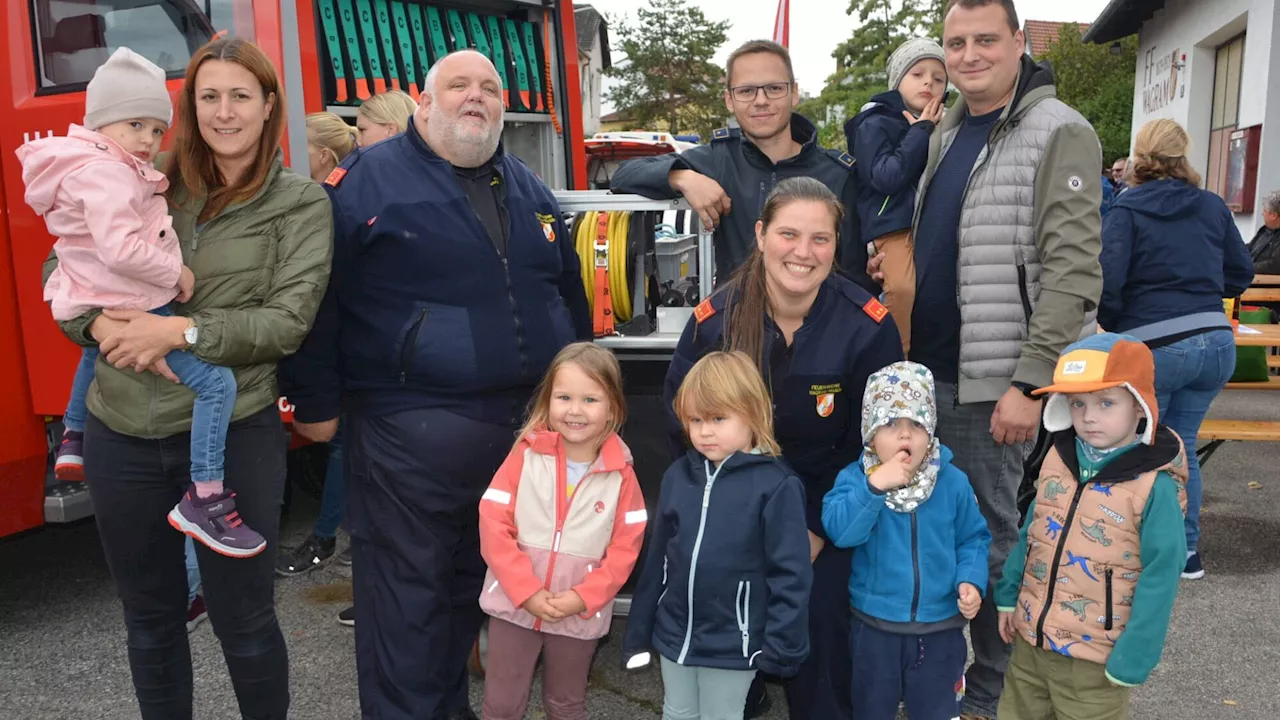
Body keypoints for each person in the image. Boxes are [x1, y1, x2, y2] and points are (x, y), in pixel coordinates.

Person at [278, 49, 591, 720]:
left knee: (465, 603)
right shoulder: (365, 182)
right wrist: (315, 403)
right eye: (458, 86)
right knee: (407, 617)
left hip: (516, 442)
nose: (476, 97)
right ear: (423, 102)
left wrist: (586, 391)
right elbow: (312, 298)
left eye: (489, 87)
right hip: (405, 436)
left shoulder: (530, 188)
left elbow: (566, 292)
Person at [42, 37, 333, 719]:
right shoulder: (138, 171)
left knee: (244, 621)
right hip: (122, 432)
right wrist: (102, 330)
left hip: (234, 433)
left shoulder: (298, 204)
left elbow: (287, 321)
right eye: (208, 97)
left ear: (269, 106)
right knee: (149, 622)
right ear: (189, 106)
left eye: (240, 96)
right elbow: (63, 271)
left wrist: (182, 331)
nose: (224, 112)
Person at [866, 2, 1105, 715]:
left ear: (1019, 43)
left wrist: (1030, 383)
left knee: (993, 540)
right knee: (924, 526)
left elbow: (1073, 273)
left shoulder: (1058, 130)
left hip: (995, 381)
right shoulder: (947, 128)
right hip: (930, 370)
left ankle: (994, 694)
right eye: (955, 42)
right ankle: (932, 676)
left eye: (985, 40)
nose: (968, 55)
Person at [665, 177, 903, 720]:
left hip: (831, 507)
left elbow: (878, 445)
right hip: (734, 505)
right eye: (789, 234)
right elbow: (681, 424)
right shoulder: (715, 322)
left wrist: (816, 529)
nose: (803, 252)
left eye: (820, 239)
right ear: (760, 234)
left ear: (837, 245)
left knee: (819, 619)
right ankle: (740, 688)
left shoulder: (867, 326)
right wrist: (744, 523)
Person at [19, 48, 258, 556]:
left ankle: (75, 436)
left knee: (91, 353)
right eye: (136, 125)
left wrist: (101, 325)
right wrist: (177, 272)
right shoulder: (107, 173)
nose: (148, 141)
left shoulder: (85, 165)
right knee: (216, 384)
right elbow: (120, 248)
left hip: (94, 297)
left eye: (156, 129)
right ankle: (207, 496)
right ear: (102, 122)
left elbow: (70, 254)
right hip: (136, 303)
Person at [995, 334, 1187, 720]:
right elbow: (1034, 529)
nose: (1089, 416)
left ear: (1139, 405)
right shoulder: (1058, 458)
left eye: (1106, 402)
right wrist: (1008, 595)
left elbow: (1162, 572)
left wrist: (1137, 652)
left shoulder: (1154, 484)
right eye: (1078, 403)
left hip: (1097, 659)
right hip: (1032, 643)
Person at [1098, 118, 1253, 580]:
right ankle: (1186, 551)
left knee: (1142, 445)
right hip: (1216, 342)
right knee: (1181, 443)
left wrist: (1119, 320)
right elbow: (1240, 272)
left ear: (1140, 155)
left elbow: (1109, 283)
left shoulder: (1126, 210)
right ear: (1183, 155)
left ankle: (1135, 546)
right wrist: (1202, 290)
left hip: (1157, 346)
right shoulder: (1211, 205)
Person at [626, 350, 813, 720]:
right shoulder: (678, 476)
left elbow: (791, 573)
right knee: (676, 712)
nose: (704, 431)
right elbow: (657, 559)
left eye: (718, 418)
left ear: (753, 414)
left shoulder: (777, 485)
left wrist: (781, 642)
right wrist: (638, 630)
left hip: (734, 642)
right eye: (695, 420)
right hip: (674, 632)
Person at [610, 40, 871, 289]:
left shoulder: (838, 174)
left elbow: (856, 276)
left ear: (794, 93)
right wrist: (682, 178)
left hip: (817, 327)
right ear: (729, 100)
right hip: (736, 325)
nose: (760, 100)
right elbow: (624, 174)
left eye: (774, 88)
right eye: (746, 91)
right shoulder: (718, 160)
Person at [477, 343, 647, 720]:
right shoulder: (524, 454)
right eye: (564, 397)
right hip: (512, 604)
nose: (575, 410)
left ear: (613, 409)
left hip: (578, 611)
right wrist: (526, 590)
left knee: (566, 704)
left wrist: (584, 597)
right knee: (501, 705)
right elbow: (492, 521)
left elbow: (625, 550)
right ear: (547, 400)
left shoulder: (622, 475)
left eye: (590, 399)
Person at [822, 360, 991, 720]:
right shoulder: (856, 479)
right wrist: (873, 488)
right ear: (870, 432)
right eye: (890, 424)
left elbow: (974, 538)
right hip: (874, 627)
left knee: (938, 709)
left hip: (941, 626)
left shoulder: (953, 481)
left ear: (931, 429)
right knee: (871, 708)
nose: (905, 435)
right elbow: (840, 532)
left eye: (916, 423)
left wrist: (971, 580)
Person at [276, 111, 359, 578]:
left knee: (343, 444)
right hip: (346, 344)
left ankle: (327, 539)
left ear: (322, 155)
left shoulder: (325, 203)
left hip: (338, 345)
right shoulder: (337, 197)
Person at [846, 37, 947, 351]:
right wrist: (920, 132)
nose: (929, 82)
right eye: (918, 74)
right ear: (897, 81)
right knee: (901, 289)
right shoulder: (874, 123)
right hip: (892, 224)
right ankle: (893, 357)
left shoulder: (946, 124)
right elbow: (885, 176)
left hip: (931, 226)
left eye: (939, 78)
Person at [1248, 189, 1280, 275]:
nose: (1262, 213)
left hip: (1264, 286)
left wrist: (1245, 267)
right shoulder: (1264, 230)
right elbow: (1248, 248)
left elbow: (1274, 266)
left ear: (1274, 215)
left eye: (1265, 211)